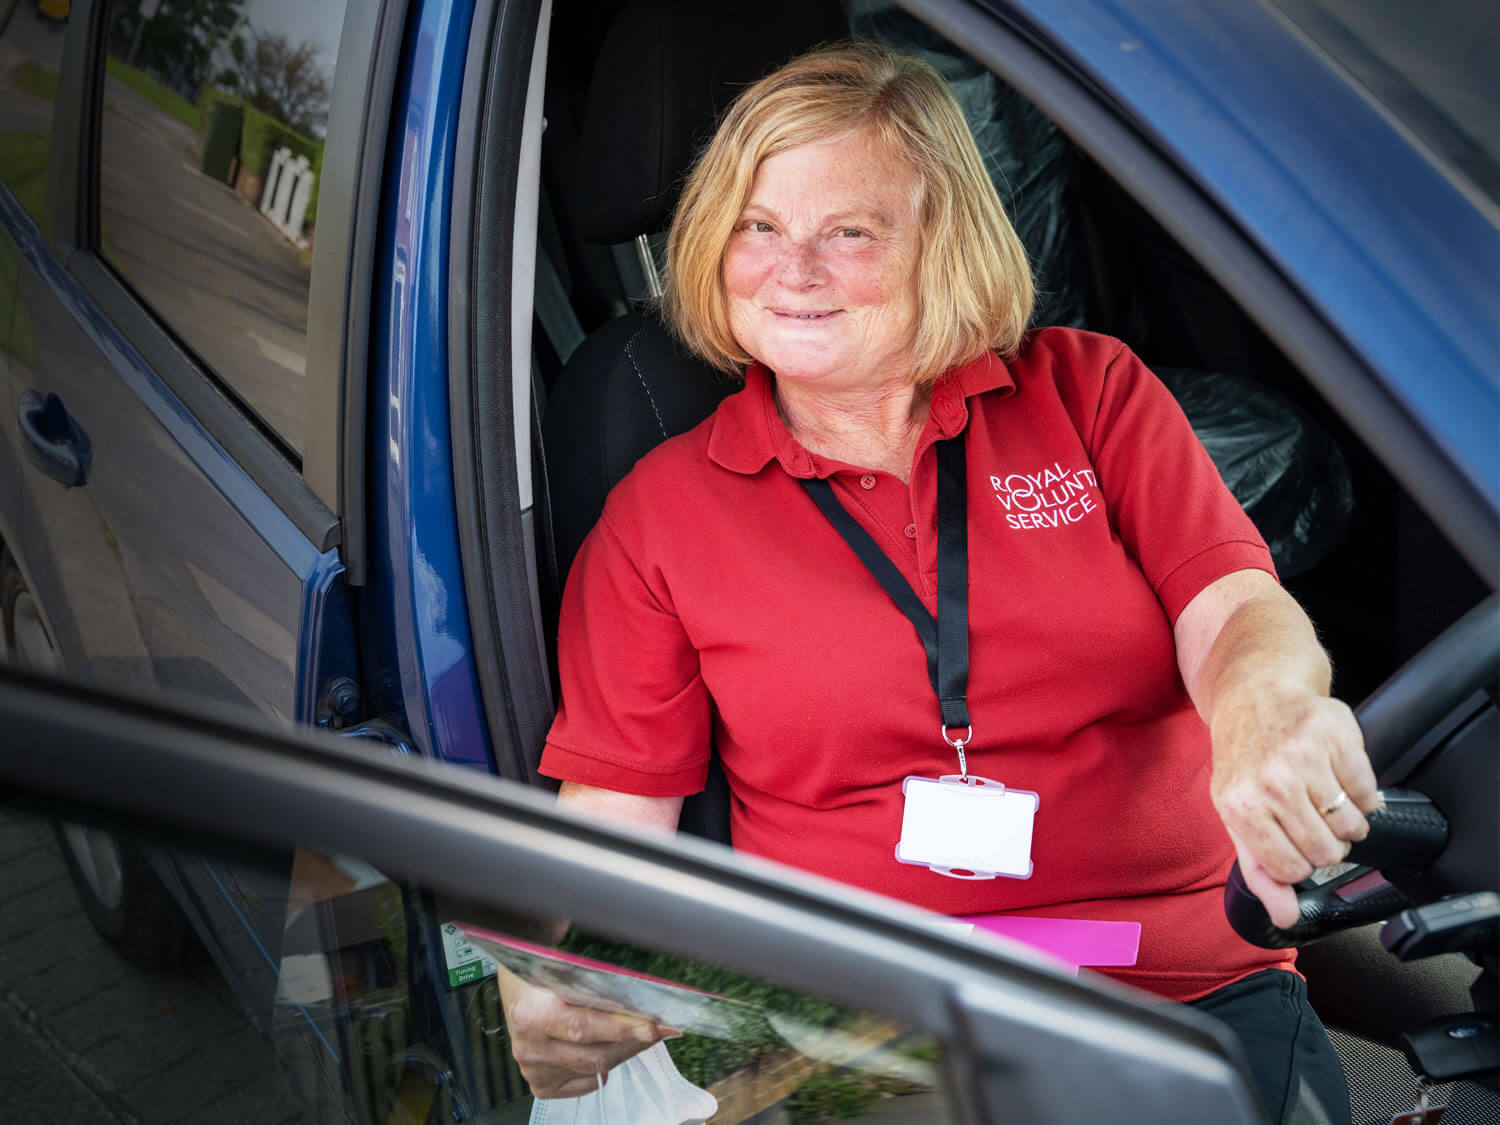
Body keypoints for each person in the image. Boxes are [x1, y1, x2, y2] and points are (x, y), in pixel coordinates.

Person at [505, 41, 1377, 1121]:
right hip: (874, 1025)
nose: (794, 268)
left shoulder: (1091, 393)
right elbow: (613, 826)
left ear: (943, 243)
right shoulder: (659, 516)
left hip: (1177, 982)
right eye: (757, 226)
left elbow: (1238, 607)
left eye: (851, 232)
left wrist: (1267, 714)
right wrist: (562, 981)